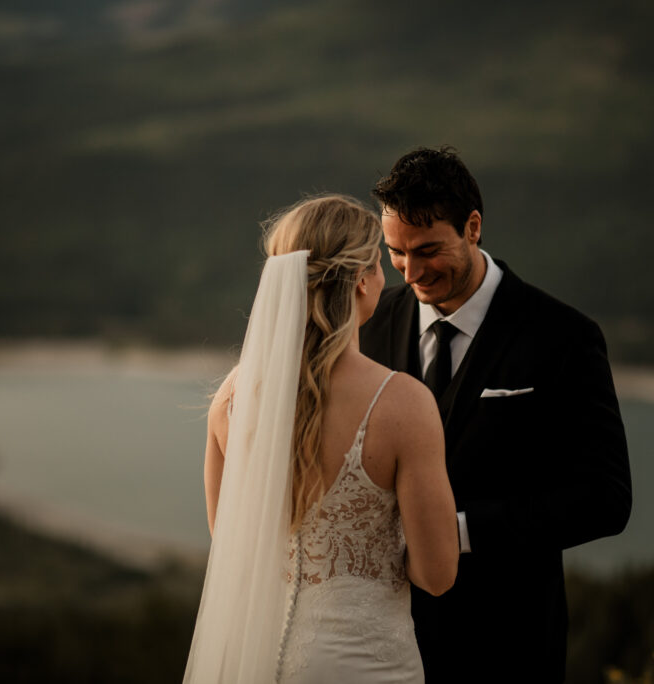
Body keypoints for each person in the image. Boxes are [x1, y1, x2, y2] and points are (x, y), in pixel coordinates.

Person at [359, 147, 632, 682]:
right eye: (396, 252)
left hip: (509, 644)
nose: (410, 272)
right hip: (384, 641)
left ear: (473, 227)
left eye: (428, 250)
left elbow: (606, 500)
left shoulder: (564, 338)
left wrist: (455, 531)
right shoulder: (369, 325)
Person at [184, 194, 459, 684]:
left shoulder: (231, 398)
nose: (386, 276)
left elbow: (230, 541)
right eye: (379, 262)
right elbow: (436, 575)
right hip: (363, 664)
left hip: (256, 660)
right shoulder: (402, 405)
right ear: (359, 278)